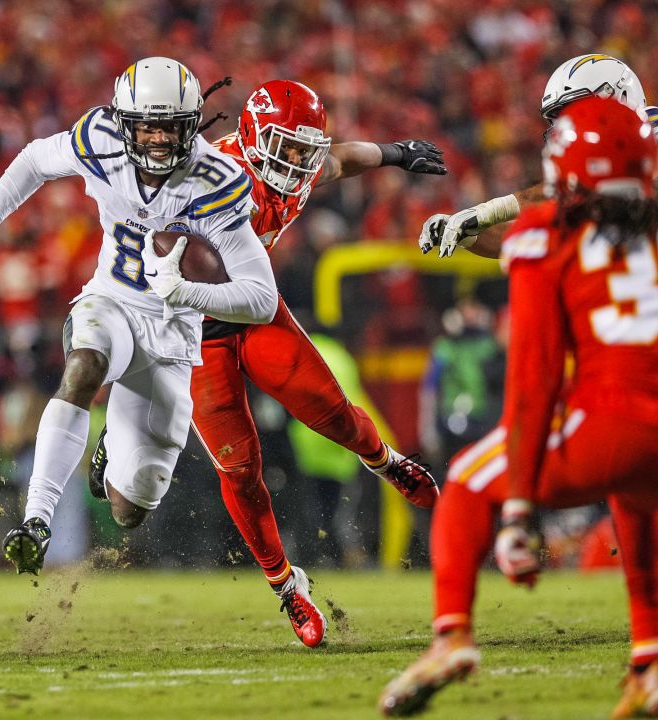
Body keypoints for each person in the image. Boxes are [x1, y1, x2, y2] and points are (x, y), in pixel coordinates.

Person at [88, 80, 445, 647]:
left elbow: (341, 159)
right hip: (186, 331)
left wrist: (398, 152)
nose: (298, 162)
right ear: (252, 137)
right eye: (289, 148)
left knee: (332, 412)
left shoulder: (295, 167)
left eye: (303, 149)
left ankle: (386, 461)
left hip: (252, 311)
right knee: (237, 466)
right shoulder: (199, 178)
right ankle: (288, 587)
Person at [379, 97, 658, 718]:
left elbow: (535, 376)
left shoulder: (544, 237)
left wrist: (520, 511)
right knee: (638, 495)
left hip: (616, 421)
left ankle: (451, 637)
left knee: (469, 481)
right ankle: (652, 661)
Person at [0, 57, 281, 575]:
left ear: (191, 124)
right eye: (147, 125)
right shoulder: (100, 138)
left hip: (172, 331)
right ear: (124, 121)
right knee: (84, 365)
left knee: (129, 509)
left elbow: (261, 299)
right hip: (113, 300)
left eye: (170, 127)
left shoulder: (216, 179)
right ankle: (37, 519)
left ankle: (111, 447)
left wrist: (187, 293)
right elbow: (37, 159)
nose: (156, 140)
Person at [420, 53, 658, 259]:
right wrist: (468, 234)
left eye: (576, 112)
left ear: (616, 97)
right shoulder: (603, 186)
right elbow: (528, 241)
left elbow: (655, 165)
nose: (568, 126)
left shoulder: (657, 131)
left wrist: (488, 210)